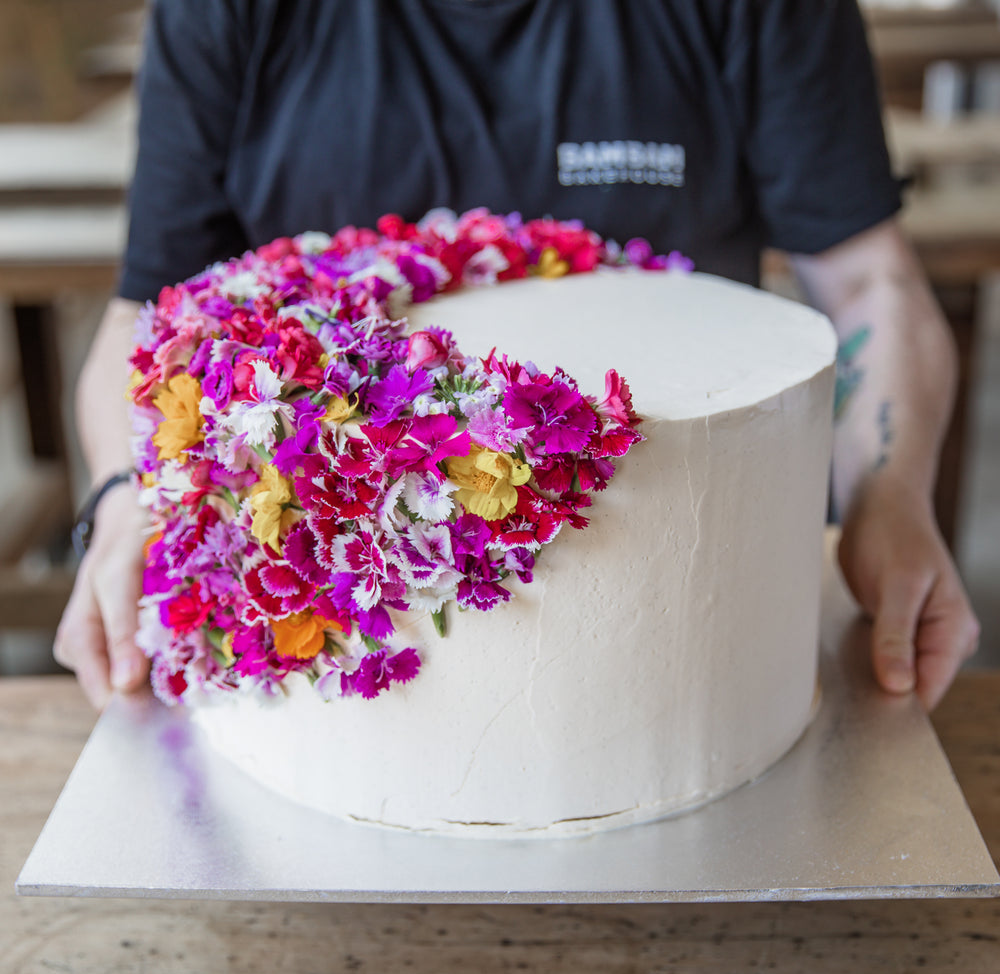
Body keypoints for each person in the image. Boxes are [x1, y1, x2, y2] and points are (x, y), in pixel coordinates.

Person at [54, 0, 979, 711]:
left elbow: (869, 285)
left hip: (693, 628)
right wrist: (123, 498)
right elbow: (145, 315)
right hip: (325, 646)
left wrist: (889, 494)